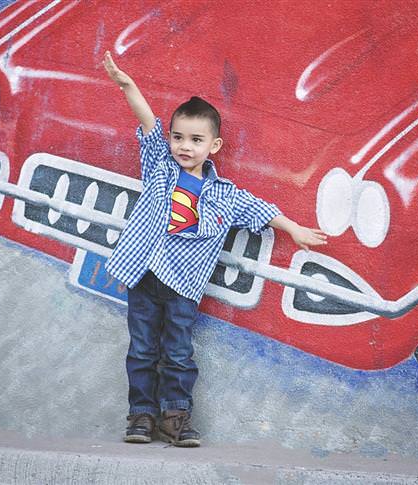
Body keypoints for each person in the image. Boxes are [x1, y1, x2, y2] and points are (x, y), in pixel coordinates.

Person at [102, 51, 327, 447]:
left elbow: (261, 209)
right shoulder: (159, 166)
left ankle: (174, 418)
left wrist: (294, 229)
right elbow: (148, 123)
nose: (184, 146)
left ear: (214, 145)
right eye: (178, 137)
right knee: (140, 350)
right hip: (143, 276)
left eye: (195, 139)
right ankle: (140, 415)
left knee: (178, 354)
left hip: (183, 287)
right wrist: (128, 86)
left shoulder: (224, 194)